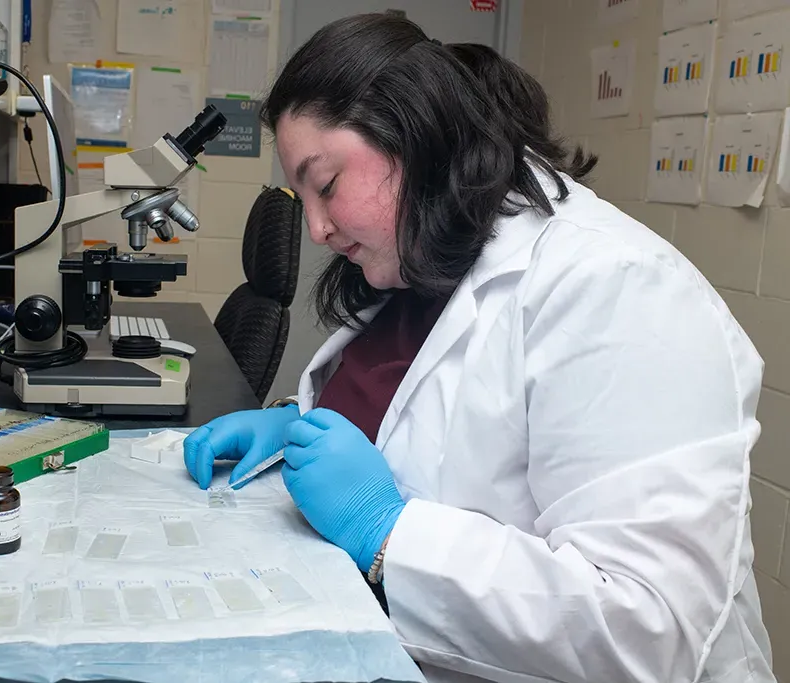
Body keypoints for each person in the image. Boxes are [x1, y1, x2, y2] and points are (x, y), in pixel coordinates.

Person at [183, 13, 774, 683]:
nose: (315, 227)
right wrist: (298, 420)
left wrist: (388, 534)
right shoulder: (423, 259)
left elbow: (649, 630)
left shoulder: (620, 287)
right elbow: (419, 412)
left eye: (325, 186)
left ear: (412, 133)